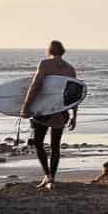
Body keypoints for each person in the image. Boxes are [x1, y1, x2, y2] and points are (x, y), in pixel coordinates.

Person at [20, 40, 78, 190]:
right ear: (63, 51)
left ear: (50, 51)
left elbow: (35, 86)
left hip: (43, 112)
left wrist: (25, 107)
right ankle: (52, 179)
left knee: (38, 142)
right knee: (55, 146)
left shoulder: (45, 64)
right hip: (61, 113)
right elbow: (74, 95)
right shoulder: (70, 69)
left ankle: (47, 176)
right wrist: (74, 116)